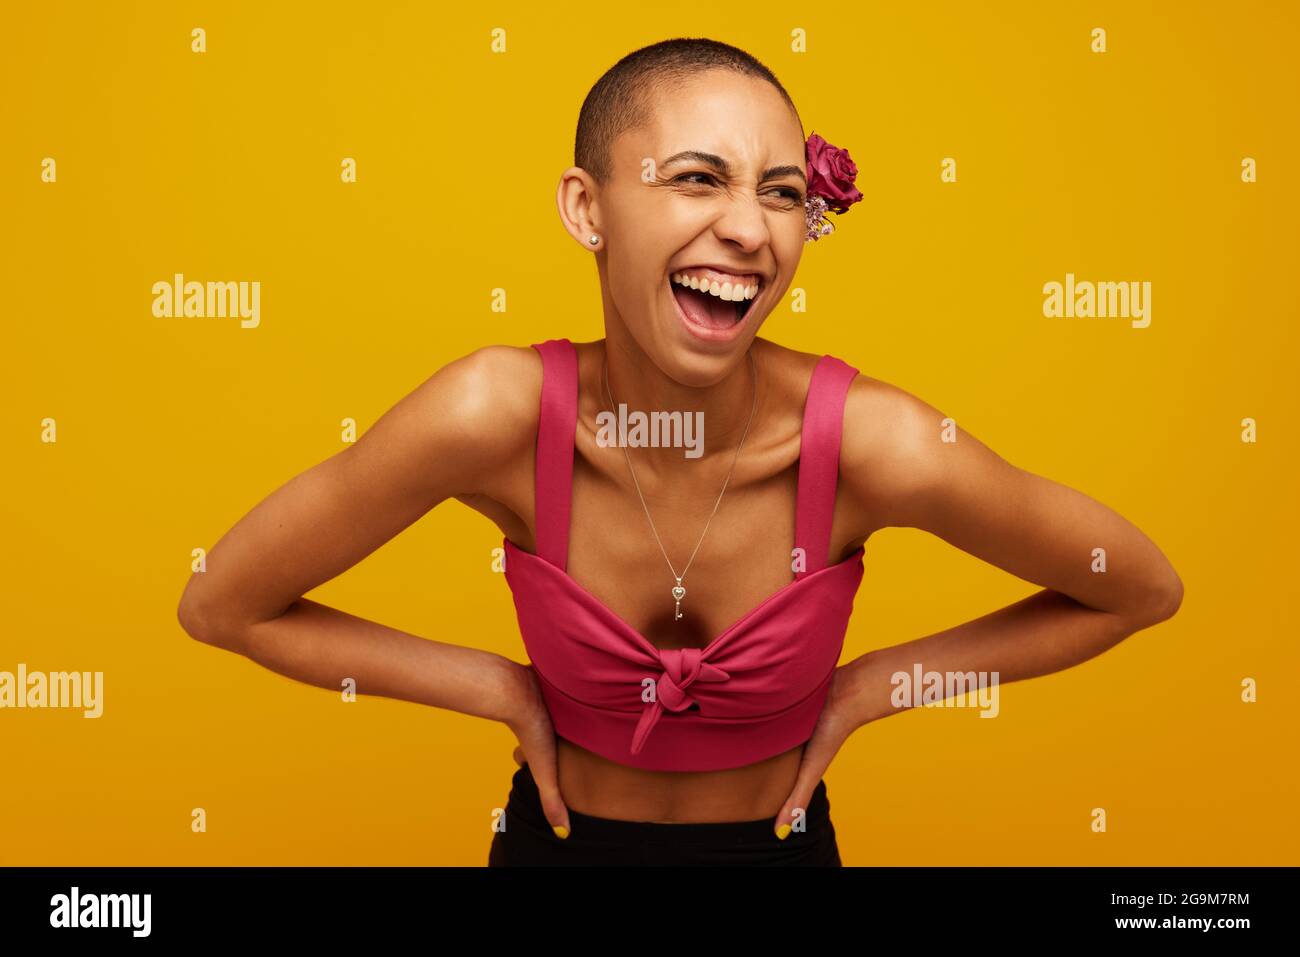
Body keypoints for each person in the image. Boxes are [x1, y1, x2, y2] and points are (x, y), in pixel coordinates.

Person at [176, 38, 1183, 867]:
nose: (748, 227)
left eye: (783, 194)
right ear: (587, 209)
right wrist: (500, 689)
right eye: (698, 179)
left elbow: (1135, 588)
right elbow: (224, 602)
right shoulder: (496, 414)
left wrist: (873, 688)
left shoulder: (873, 443)